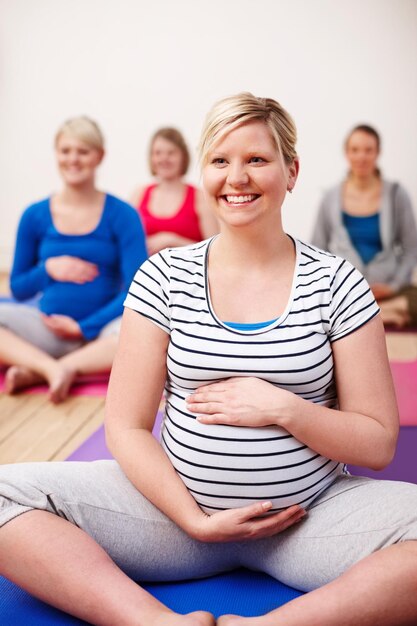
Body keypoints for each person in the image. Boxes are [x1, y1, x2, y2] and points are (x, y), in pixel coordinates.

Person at [0, 93, 416, 626]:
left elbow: (379, 442)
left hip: (309, 520)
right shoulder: (162, 277)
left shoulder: (337, 282)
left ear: (291, 171)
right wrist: (194, 521)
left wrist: (284, 408)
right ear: (205, 173)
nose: (236, 177)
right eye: (220, 161)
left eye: (257, 160)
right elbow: (125, 427)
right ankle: (155, 624)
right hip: (170, 519)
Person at [0, 116, 147, 403]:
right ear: (56, 154)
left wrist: (84, 327)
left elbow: (136, 288)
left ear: (99, 156)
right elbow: (18, 288)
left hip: (104, 332)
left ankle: (53, 368)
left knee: (144, 335)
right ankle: (50, 368)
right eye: (65, 151)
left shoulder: (123, 215)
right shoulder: (34, 215)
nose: (73, 159)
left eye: (83, 151)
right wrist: (48, 269)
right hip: (48, 326)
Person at [312, 124, 417, 327]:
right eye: (355, 150)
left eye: (368, 150)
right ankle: (383, 314)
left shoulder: (396, 194)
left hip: (388, 289)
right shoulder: (330, 198)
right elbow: (318, 249)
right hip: (343, 289)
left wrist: (393, 286)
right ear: (346, 153)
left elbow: (411, 249)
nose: (362, 157)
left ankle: (367, 313)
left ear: (378, 153)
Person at [130, 127, 218, 254]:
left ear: (183, 157)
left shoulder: (200, 197)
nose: (164, 158)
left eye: (171, 153)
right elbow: (123, 242)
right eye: (158, 153)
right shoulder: (139, 194)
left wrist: (172, 240)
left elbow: (214, 250)